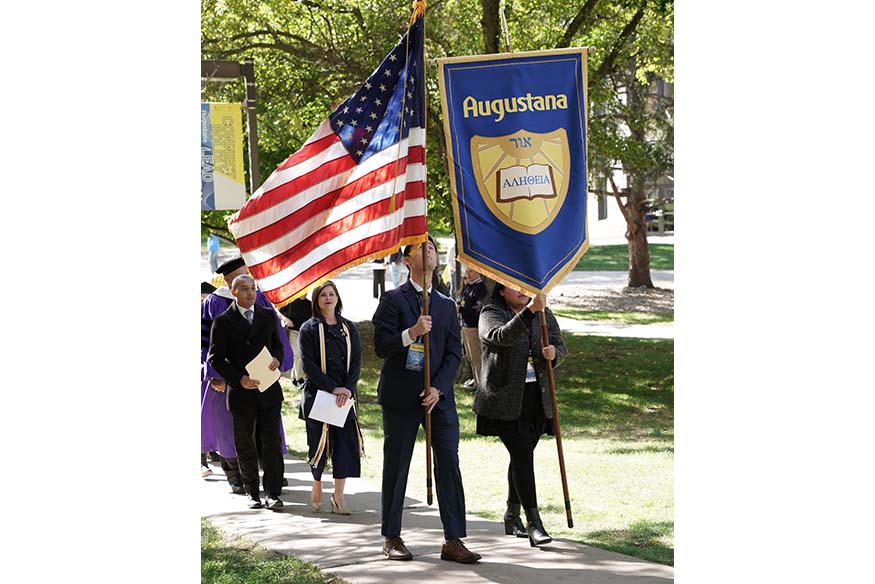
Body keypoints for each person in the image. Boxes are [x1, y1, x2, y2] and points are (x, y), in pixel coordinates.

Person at [371, 235, 481, 564]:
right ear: (407, 260)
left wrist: (439, 389)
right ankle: (391, 536)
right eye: (420, 247)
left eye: (431, 247)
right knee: (397, 466)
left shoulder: (447, 304)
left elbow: (452, 354)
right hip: (401, 397)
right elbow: (380, 346)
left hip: (438, 399)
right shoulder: (392, 300)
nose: (428, 251)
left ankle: (454, 539)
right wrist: (412, 333)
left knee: (449, 465)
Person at [474, 284, 567, 547]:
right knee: (523, 455)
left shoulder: (543, 314)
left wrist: (554, 354)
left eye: (524, 287)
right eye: (514, 287)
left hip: (537, 398)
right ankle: (534, 523)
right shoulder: (491, 312)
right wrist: (529, 311)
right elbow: (500, 336)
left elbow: (560, 345)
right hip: (503, 400)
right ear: (502, 291)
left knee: (521, 456)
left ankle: (511, 514)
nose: (521, 291)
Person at [201, 256, 294, 494]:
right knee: (230, 429)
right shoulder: (213, 303)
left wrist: (280, 361)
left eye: (251, 282)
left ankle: (270, 475)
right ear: (230, 282)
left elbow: (277, 341)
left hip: (263, 379)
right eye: (243, 280)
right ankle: (234, 474)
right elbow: (205, 344)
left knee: (267, 429)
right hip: (230, 380)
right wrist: (215, 375)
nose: (250, 288)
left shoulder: (259, 299)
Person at [298, 281, 362, 515]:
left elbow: (356, 361)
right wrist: (333, 388)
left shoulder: (349, 328)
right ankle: (317, 484)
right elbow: (309, 365)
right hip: (319, 394)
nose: (327, 298)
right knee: (318, 444)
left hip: (344, 397)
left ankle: (338, 495)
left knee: (344, 445)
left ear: (337, 298)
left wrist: (347, 388)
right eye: (323, 295)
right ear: (316, 300)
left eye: (331, 294)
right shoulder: (309, 328)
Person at [457, 267, 488, 389]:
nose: (467, 274)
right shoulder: (467, 286)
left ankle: (481, 386)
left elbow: (478, 309)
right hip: (465, 325)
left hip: (474, 326)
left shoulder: (480, 288)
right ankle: (476, 382)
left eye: (470, 271)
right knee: (470, 357)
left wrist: (461, 309)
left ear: (478, 271)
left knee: (476, 357)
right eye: (466, 271)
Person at [278, 297, 312, 385]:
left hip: (305, 333)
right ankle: (299, 378)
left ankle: (296, 377)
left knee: (303, 355)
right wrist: (286, 320)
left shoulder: (310, 304)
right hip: (294, 332)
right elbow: (278, 312)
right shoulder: (291, 301)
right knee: (297, 354)